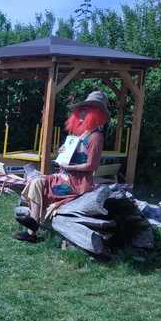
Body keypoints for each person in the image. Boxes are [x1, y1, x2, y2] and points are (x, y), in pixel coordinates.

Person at [14, 91, 110, 243]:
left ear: (96, 113)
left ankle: (33, 230)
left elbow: (91, 166)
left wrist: (69, 167)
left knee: (39, 183)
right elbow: (71, 155)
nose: (82, 112)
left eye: (87, 109)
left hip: (77, 184)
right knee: (36, 182)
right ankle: (33, 227)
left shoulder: (96, 137)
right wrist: (63, 152)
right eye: (82, 108)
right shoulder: (81, 134)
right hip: (64, 177)